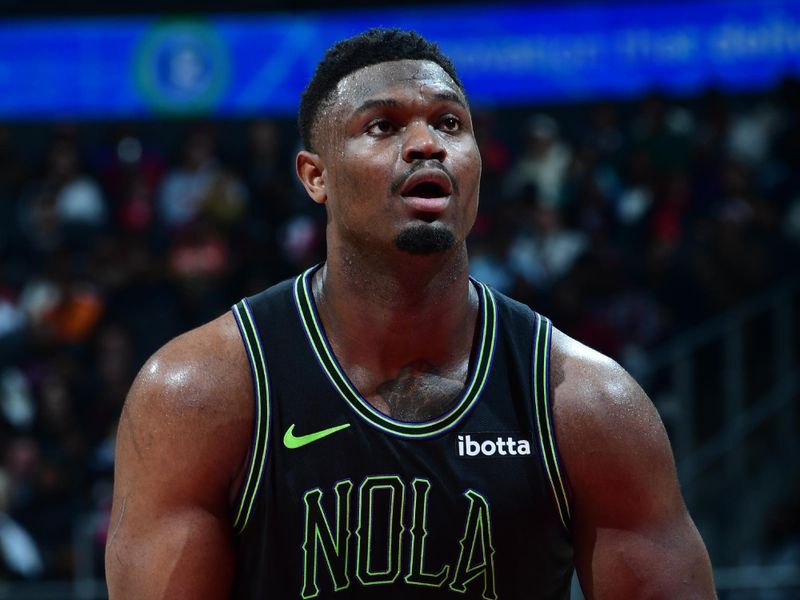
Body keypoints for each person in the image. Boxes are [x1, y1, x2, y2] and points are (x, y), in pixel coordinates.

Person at [105, 28, 716, 599]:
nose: (427, 144)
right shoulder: (198, 394)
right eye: (383, 126)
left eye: (450, 123)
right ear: (315, 176)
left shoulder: (589, 404)